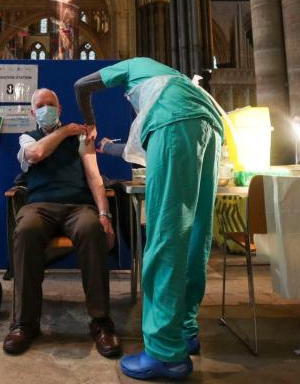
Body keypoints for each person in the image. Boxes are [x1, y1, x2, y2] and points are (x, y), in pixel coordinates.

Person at [74, 57, 223, 381]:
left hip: (175, 122)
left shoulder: (136, 68)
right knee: (196, 232)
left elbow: (81, 86)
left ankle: (165, 353)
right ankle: (185, 330)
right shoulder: (168, 82)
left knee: (166, 236)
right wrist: (106, 147)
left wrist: (90, 121)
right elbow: (137, 148)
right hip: (210, 123)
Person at [4, 88, 121, 358]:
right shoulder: (27, 138)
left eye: (51, 104)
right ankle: (25, 323)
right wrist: (65, 131)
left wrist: (105, 215)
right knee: (25, 230)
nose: (47, 109)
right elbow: (34, 155)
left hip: (78, 207)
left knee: (92, 229)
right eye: (41, 105)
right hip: (39, 207)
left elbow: (94, 178)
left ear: (60, 108)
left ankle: (101, 322)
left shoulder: (81, 138)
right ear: (33, 113)